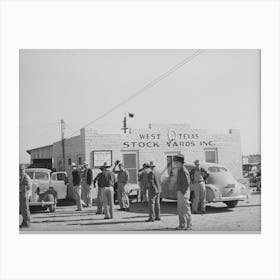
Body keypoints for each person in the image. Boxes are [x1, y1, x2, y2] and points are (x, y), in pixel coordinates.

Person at [173, 154, 192, 230]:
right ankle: (182, 224)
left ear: (180, 162)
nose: (175, 164)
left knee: (185, 209)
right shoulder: (180, 170)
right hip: (180, 191)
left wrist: (183, 193)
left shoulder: (184, 171)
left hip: (183, 192)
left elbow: (186, 183)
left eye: (176, 162)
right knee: (180, 209)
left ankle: (189, 224)